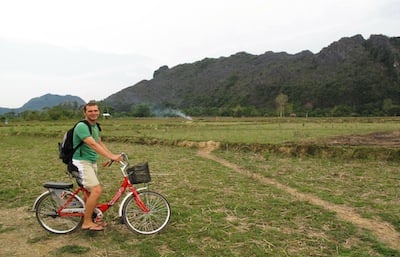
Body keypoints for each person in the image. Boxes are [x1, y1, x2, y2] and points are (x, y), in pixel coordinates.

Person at [72, 100, 123, 231]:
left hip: (91, 162)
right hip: (81, 162)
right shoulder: (82, 126)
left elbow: (99, 143)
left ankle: (93, 218)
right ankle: (87, 222)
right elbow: (92, 144)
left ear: (98, 111)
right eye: (90, 111)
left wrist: (112, 155)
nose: (93, 113)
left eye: (95, 110)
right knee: (96, 190)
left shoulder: (95, 126)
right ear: (85, 112)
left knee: (90, 193)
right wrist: (110, 156)